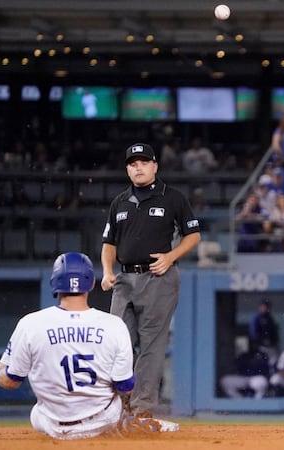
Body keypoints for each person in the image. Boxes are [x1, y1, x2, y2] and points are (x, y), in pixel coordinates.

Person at [100, 143, 201, 418]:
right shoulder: (119, 202)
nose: (139, 167)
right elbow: (109, 243)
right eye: (133, 163)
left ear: (155, 166)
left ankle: (141, 410)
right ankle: (117, 409)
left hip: (160, 277)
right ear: (127, 169)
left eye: (144, 162)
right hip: (124, 279)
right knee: (117, 345)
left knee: (151, 346)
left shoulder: (173, 198)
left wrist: (171, 256)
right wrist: (108, 271)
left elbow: (194, 235)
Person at [0, 252, 135, 440]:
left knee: (37, 412)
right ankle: (124, 421)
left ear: (55, 283)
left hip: (51, 424)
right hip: (103, 421)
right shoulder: (114, 325)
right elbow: (125, 386)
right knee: (118, 392)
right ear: (91, 283)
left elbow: (11, 381)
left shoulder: (30, 324)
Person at [249, 299, 280, 369]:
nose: (266, 308)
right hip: (261, 347)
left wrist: (274, 342)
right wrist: (259, 341)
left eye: (267, 306)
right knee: (261, 364)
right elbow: (253, 333)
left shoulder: (270, 318)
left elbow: (274, 333)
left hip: (271, 346)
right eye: (264, 306)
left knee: (274, 363)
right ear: (260, 307)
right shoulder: (257, 317)